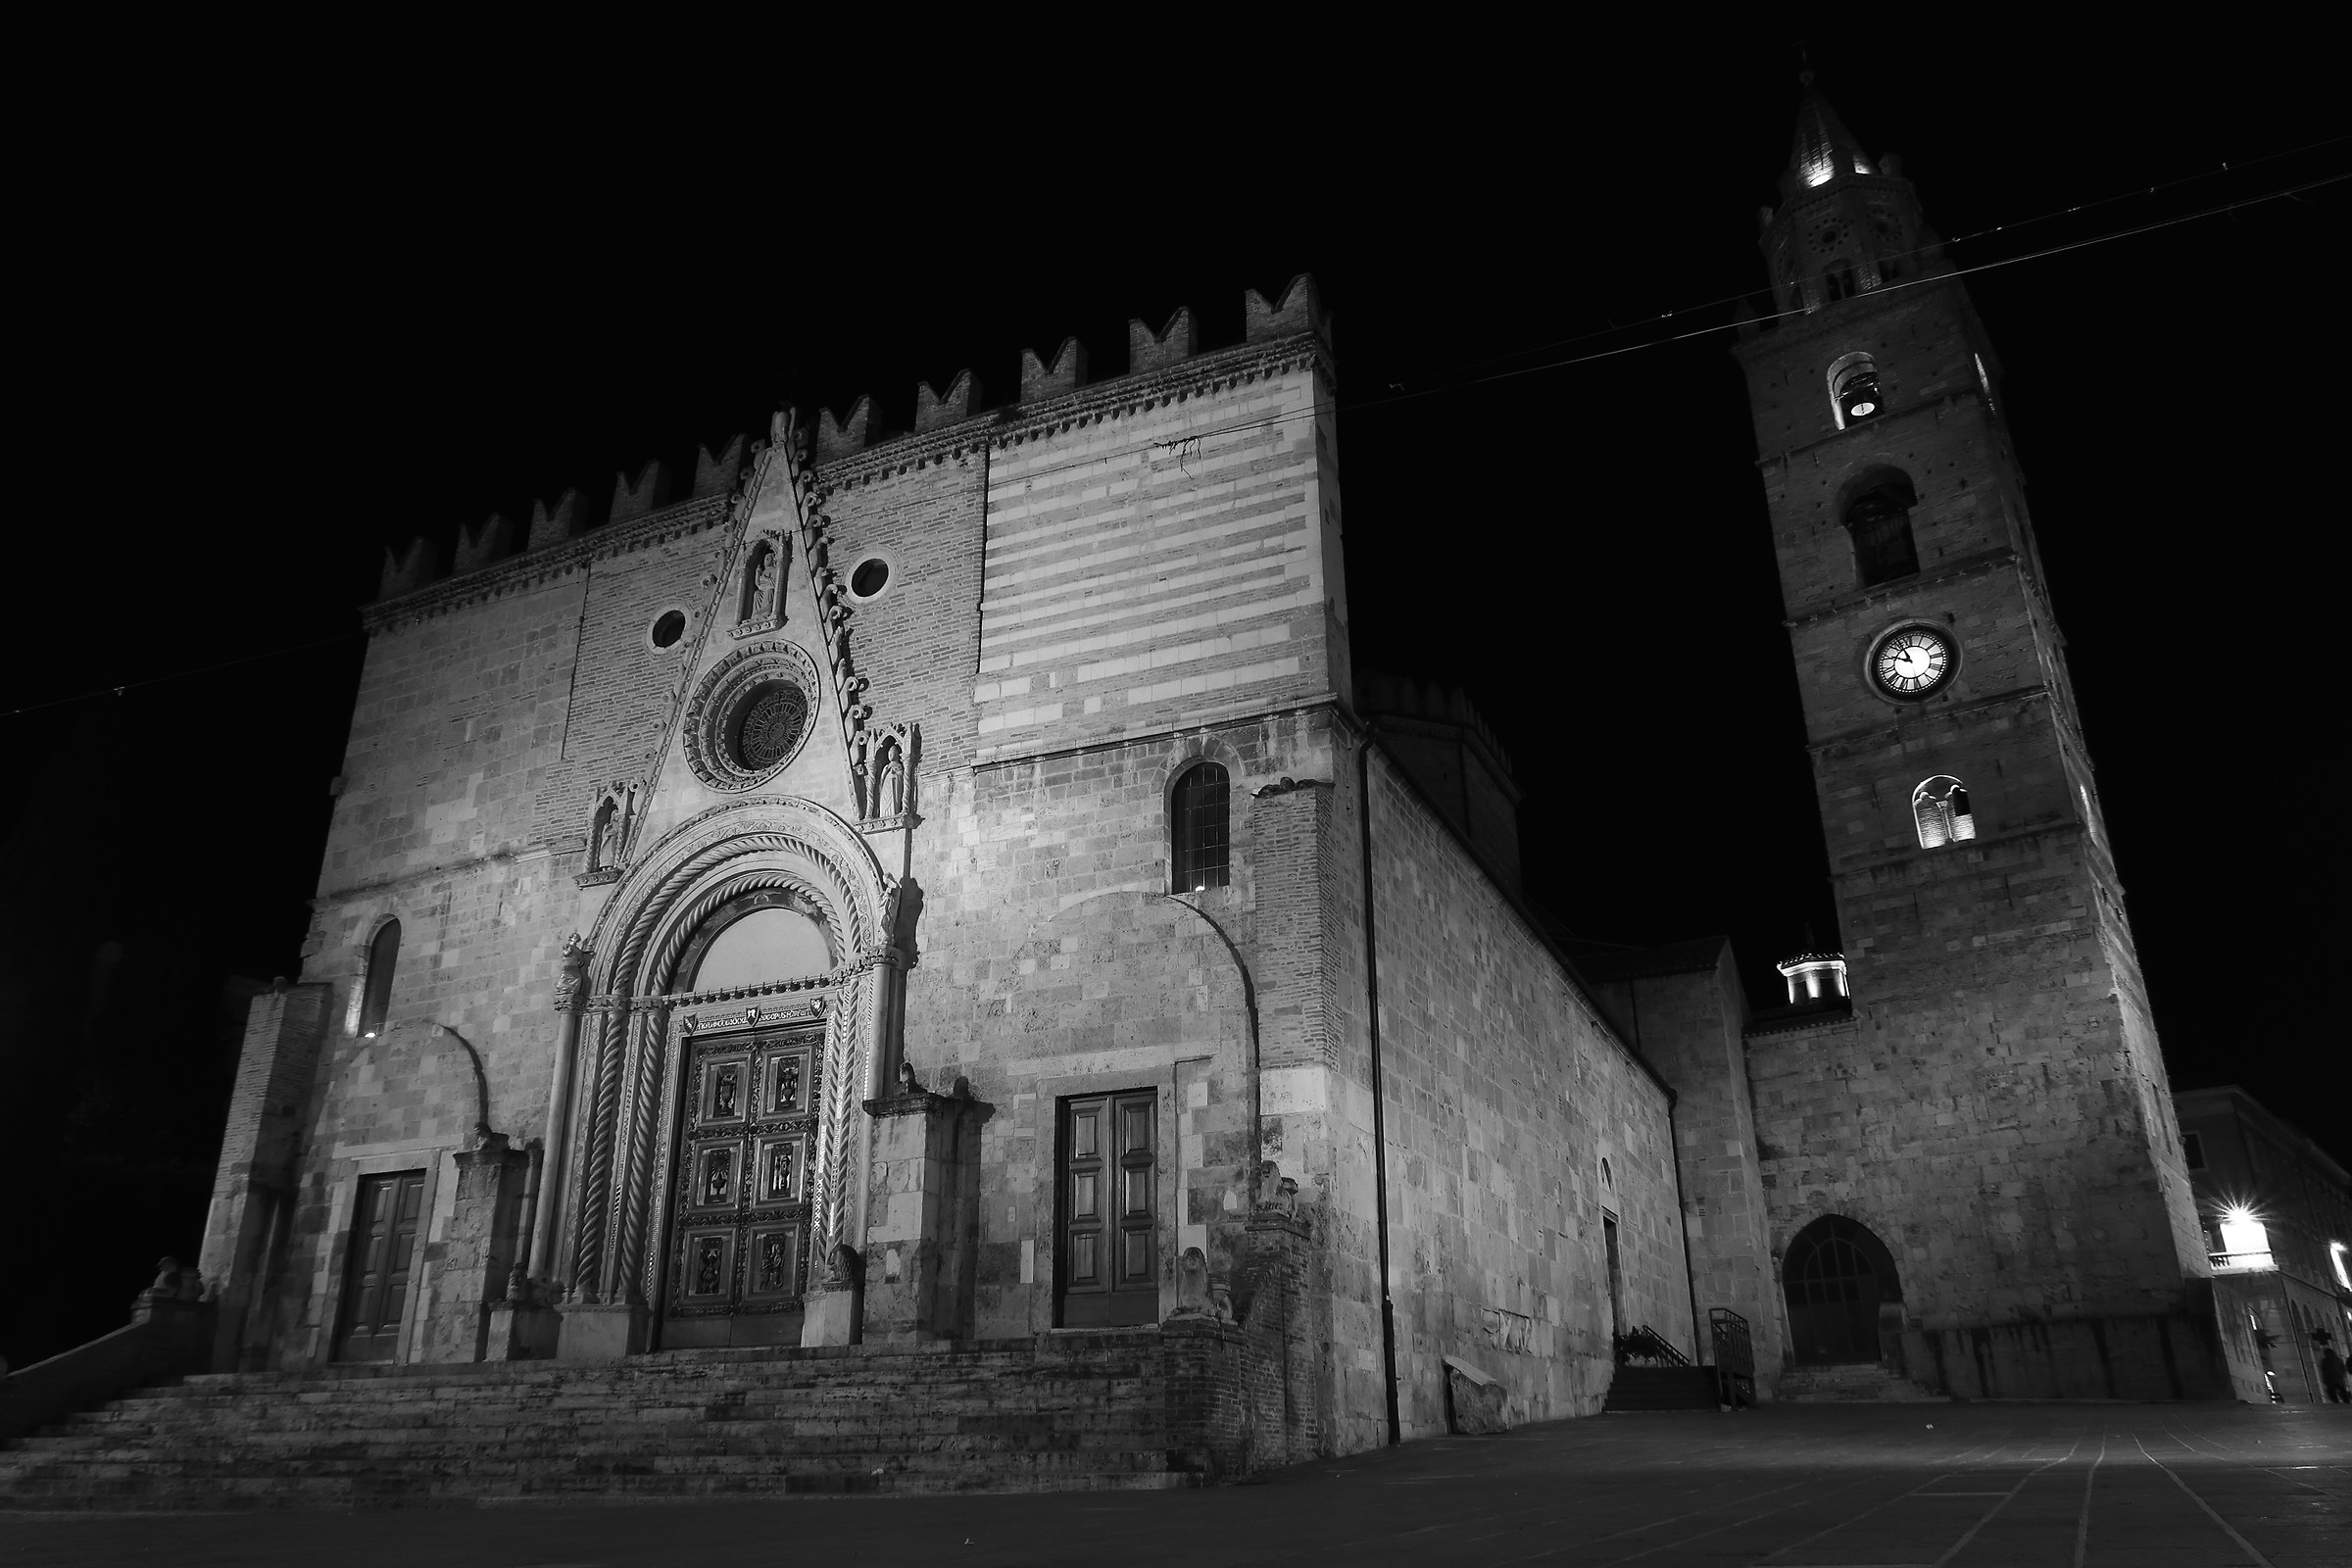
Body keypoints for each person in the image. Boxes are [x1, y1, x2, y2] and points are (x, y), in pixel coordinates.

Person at [2319, 1333, 2349, 1404]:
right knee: (2342, 1389)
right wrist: (2342, 1375)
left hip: (2331, 1379)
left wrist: (2324, 1379)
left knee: (2331, 1391)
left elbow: (2324, 1370)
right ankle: (2346, 1401)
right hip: (2338, 1378)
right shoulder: (2337, 1359)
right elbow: (2343, 1368)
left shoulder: (2325, 1360)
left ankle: (2336, 1402)